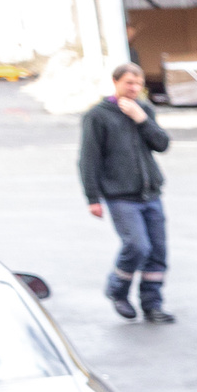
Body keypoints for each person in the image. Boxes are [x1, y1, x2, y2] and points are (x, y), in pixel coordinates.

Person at [78, 61, 174, 324]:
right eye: (129, 83)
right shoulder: (98, 115)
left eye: (138, 84)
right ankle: (117, 290)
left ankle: (152, 305)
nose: (134, 88)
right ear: (116, 82)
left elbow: (162, 144)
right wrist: (92, 198)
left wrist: (141, 120)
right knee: (137, 246)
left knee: (157, 251)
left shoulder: (143, 110)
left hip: (150, 193)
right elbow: (88, 159)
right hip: (120, 196)